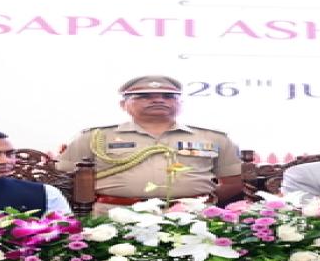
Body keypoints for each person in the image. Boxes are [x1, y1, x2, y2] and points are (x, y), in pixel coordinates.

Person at [57, 75, 243, 214]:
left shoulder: (213, 137)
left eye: (168, 96)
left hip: (193, 216)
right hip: (116, 216)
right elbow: (63, 179)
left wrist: (198, 202)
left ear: (180, 103)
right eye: (145, 96)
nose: (158, 100)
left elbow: (233, 182)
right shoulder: (95, 136)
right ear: (124, 104)